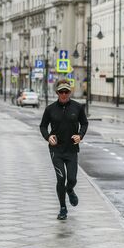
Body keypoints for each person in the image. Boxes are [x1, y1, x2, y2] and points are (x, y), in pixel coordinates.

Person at [39, 79, 88, 220]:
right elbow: (42, 126)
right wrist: (48, 137)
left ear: (70, 92)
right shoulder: (50, 109)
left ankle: (70, 189)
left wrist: (80, 135)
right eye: (61, 92)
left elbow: (84, 123)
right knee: (61, 179)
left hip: (72, 149)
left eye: (66, 92)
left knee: (72, 179)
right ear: (57, 93)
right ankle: (62, 208)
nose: (64, 94)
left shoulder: (78, 108)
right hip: (56, 150)